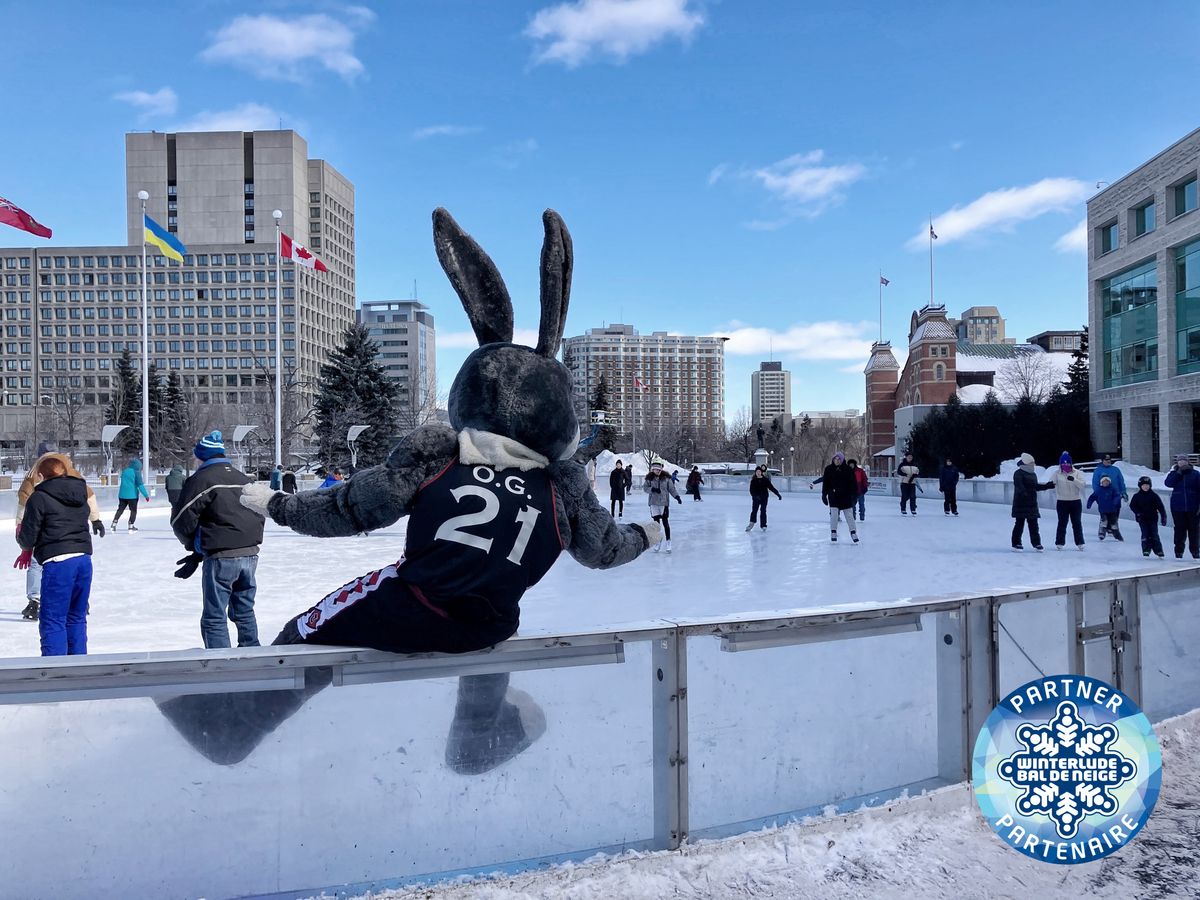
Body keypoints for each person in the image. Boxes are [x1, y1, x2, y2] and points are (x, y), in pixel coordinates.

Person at [170, 430, 265, 649]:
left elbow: (181, 518)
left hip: (221, 556)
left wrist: (193, 546)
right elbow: (260, 510)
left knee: (214, 617)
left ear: (202, 456)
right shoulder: (242, 478)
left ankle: (222, 665)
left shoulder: (202, 479)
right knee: (244, 610)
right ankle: (254, 658)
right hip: (250, 554)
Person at [14, 455, 103, 655]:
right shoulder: (79, 491)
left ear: (40, 475)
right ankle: (78, 666)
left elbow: (28, 538)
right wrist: (96, 521)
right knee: (76, 616)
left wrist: (21, 538)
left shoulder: (39, 497)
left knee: (53, 619)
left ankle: (55, 670)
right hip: (83, 560)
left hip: (58, 562)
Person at [1011, 452, 1053, 551]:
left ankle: (1036, 543)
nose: (1033, 465)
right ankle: (1016, 543)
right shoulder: (1018, 473)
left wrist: (1048, 485)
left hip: (1032, 504)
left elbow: (1035, 487)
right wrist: (1025, 494)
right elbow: (1019, 486)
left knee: (1034, 525)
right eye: (1031, 463)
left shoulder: (1033, 474)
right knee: (1019, 524)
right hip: (1020, 503)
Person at [1164, 454, 1200, 559]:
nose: (1182, 463)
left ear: (1187, 462)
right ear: (1177, 463)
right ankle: (1179, 551)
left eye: (1184, 461)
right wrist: (1178, 474)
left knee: (1194, 530)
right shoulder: (1174, 473)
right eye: (1180, 461)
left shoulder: (1195, 474)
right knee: (1179, 530)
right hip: (1177, 507)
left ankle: (1195, 551)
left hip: (1193, 507)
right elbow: (1168, 483)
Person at [1049, 451, 1086, 550]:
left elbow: (1082, 485)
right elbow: (1051, 484)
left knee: (1077, 523)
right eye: (1063, 463)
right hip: (1062, 502)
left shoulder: (1077, 473)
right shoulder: (1056, 474)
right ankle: (1060, 542)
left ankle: (1080, 542)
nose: (1066, 465)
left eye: (1068, 462)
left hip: (1075, 501)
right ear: (1060, 464)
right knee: (1062, 522)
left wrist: (1074, 480)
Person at [644, 459, 681, 552]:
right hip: (653, 503)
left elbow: (672, 489)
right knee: (656, 524)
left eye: (658, 469)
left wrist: (677, 497)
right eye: (655, 469)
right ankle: (658, 542)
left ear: (661, 469)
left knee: (665, 523)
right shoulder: (649, 478)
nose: (657, 471)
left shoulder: (667, 478)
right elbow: (645, 488)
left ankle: (668, 542)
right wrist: (652, 489)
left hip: (663, 503)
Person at [821, 452, 859, 543]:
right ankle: (833, 532)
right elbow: (825, 483)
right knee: (834, 515)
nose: (836, 461)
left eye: (838, 459)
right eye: (835, 459)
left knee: (849, 515)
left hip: (845, 496)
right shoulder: (829, 469)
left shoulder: (848, 469)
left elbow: (853, 483)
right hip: (833, 495)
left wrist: (854, 496)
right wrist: (824, 495)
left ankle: (853, 532)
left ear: (842, 460)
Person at [1129, 476, 1166, 559]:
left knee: (1154, 534)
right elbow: (1132, 505)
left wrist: (1163, 516)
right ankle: (1146, 549)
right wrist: (1138, 513)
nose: (1145, 487)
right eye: (1143, 485)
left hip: (1153, 518)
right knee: (1145, 533)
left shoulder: (1154, 496)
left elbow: (1160, 507)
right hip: (1142, 519)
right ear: (1140, 486)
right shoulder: (1137, 496)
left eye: (1147, 485)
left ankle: (1158, 550)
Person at [112, 458, 150, 531]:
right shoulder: (136, 473)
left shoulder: (124, 471)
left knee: (120, 510)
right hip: (132, 496)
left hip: (122, 495)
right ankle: (131, 525)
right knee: (133, 511)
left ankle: (114, 523)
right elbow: (140, 485)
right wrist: (146, 496)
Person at [1087, 475, 1124, 541]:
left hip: (1112, 509)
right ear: (1101, 482)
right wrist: (1089, 503)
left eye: (1107, 481)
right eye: (1104, 481)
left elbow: (1117, 496)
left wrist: (1116, 501)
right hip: (1103, 509)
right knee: (1104, 521)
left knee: (1113, 522)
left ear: (1109, 482)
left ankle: (1117, 535)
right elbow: (1092, 497)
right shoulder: (1098, 490)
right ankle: (1101, 533)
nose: (1106, 483)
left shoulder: (1113, 489)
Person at [746, 464, 782, 532]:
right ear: (755, 472)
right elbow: (751, 490)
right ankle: (751, 523)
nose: (758, 473)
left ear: (761, 472)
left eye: (759, 471)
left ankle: (763, 525)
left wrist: (777, 494)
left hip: (764, 498)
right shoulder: (753, 481)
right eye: (757, 472)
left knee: (763, 511)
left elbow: (771, 487)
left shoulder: (765, 480)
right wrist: (755, 496)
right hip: (756, 498)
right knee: (754, 511)